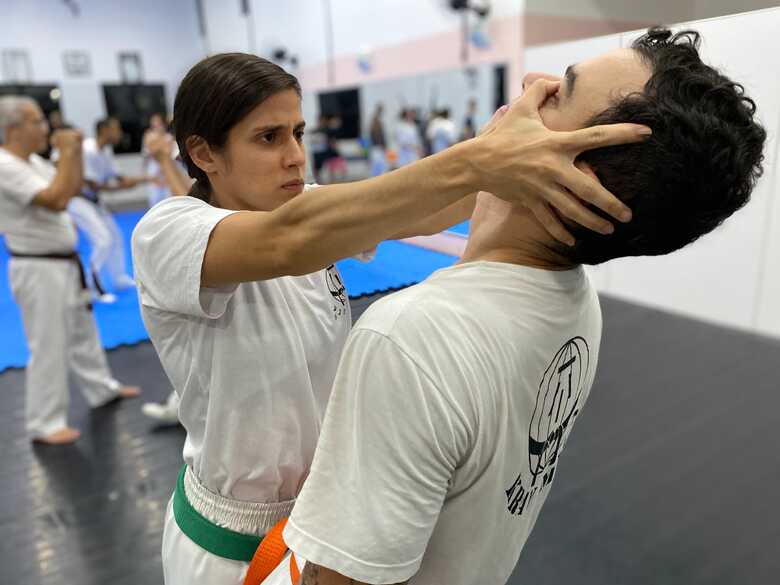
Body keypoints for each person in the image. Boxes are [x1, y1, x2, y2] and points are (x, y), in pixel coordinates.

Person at [130, 52, 647, 585]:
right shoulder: (168, 232)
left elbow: (432, 204)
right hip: (224, 545)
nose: (294, 156)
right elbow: (288, 243)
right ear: (203, 153)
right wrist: (484, 157)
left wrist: (558, 150)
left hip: (319, 519)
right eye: (268, 138)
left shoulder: (306, 209)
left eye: (298, 133)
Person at [284, 27, 766, 584]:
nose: (533, 83)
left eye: (561, 91)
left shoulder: (411, 337)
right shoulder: (577, 303)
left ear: (572, 179)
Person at [0, 96, 141, 445]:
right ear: (13, 129)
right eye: (36, 121)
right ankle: (44, 422)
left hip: (63, 261)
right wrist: (66, 152)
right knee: (48, 343)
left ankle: (101, 389)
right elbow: (56, 199)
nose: (45, 127)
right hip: (37, 266)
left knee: (83, 331)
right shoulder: (5, 164)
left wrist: (73, 153)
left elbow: (72, 187)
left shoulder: (33, 161)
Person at [66, 116, 149, 297]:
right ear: (104, 131)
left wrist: (144, 179)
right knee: (102, 240)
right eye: (116, 129)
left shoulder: (105, 151)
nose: (120, 133)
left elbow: (117, 176)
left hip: (93, 201)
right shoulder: (87, 149)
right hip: (78, 200)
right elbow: (91, 184)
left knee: (115, 236)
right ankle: (91, 286)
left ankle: (118, 277)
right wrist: (122, 187)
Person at [143, 112, 181, 208]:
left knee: (170, 200)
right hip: (154, 171)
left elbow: (168, 153)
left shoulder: (168, 137)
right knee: (155, 201)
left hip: (167, 171)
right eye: (154, 123)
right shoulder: (148, 136)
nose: (156, 126)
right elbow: (149, 153)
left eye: (158, 123)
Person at [368, 103, 387, 176]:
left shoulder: (376, 121)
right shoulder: (376, 122)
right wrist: (382, 145)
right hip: (377, 147)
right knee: (379, 168)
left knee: (379, 167)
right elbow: (377, 136)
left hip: (377, 147)